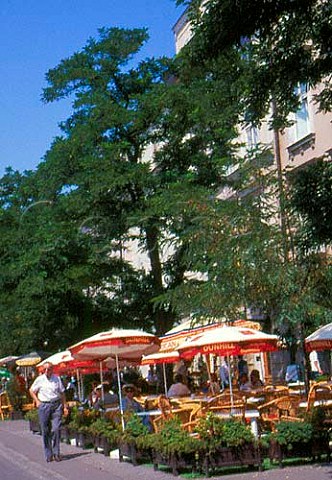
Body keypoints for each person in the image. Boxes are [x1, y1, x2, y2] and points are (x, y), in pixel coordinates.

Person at [29, 362, 68, 463]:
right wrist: (37, 401)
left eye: (49, 369)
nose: (47, 371)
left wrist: (65, 406)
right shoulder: (40, 379)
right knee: (45, 430)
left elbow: (62, 393)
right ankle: (48, 453)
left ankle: (56, 453)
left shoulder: (57, 378)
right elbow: (31, 390)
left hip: (56, 405)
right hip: (44, 405)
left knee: (56, 429)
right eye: (45, 369)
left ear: (52, 369)